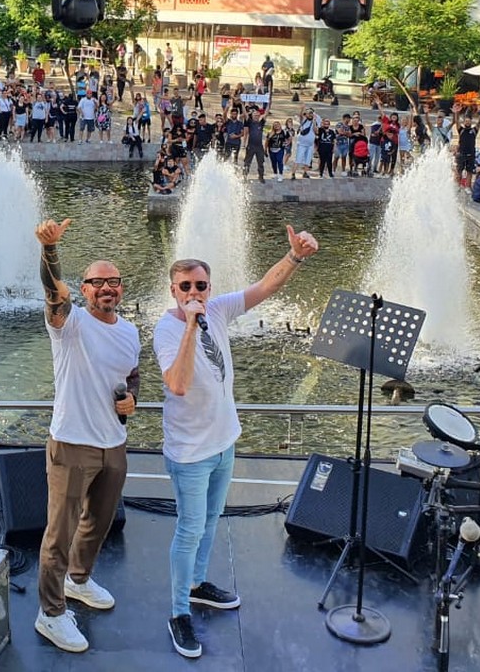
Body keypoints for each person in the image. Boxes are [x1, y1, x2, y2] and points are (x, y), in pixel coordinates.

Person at [155, 225, 320, 658]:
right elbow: (177, 384)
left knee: (210, 522)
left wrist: (295, 257)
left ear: (210, 287)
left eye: (201, 286)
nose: (195, 292)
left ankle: (196, 584)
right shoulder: (168, 329)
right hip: (190, 454)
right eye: (186, 286)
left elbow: (266, 285)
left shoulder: (220, 310)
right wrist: (191, 326)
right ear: (173, 290)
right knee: (188, 530)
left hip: (224, 443)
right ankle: (178, 613)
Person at [32, 218, 140, 654]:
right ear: (85, 288)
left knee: (99, 522)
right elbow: (52, 289)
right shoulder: (69, 322)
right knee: (58, 533)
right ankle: (51, 614)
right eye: (98, 282)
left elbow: (131, 375)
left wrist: (132, 398)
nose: (108, 288)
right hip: (73, 443)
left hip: (113, 443)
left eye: (114, 282)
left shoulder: (130, 330)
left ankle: (78, 581)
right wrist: (51, 251)